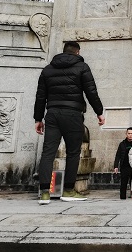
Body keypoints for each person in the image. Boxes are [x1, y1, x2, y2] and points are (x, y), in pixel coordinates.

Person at [34, 41, 105, 205]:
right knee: (73, 153)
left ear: (63, 51)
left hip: (52, 114)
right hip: (73, 114)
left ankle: (45, 192)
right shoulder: (82, 67)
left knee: (48, 152)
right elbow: (91, 91)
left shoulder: (47, 70)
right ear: (77, 52)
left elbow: (40, 97)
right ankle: (68, 190)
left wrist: (38, 119)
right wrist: (99, 112)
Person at [113, 127, 132, 199]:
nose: (130, 135)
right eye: (129, 133)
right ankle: (122, 198)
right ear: (126, 134)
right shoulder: (122, 144)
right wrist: (116, 166)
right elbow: (118, 155)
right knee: (123, 184)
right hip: (124, 166)